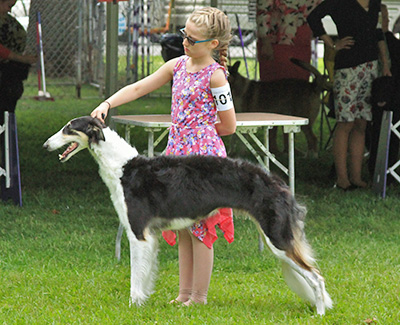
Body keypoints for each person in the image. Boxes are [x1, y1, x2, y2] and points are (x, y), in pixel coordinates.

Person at [91, 7, 236, 306]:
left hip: (202, 160)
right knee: (182, 223)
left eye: (192, 39)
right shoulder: (177, 66)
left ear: (212, 44)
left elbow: (229, 125)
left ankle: (199, 297)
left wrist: (200, 135)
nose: (185, 42)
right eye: (184, 35)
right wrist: (108, 102)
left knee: (202, 229)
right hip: (176, 156)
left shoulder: (217, 76)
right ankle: (184, 293)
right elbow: (140, 86)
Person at [307, 0, 391, 190]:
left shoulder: (375, 3)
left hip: (371, 67)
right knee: (345, 122)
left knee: (361, 122)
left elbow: (378, 33)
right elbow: (313, 17)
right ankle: (342, 178)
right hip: (347, 67)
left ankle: (357, 176)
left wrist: (384, 63)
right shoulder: (341, 2)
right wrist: (331, 43)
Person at [256, 0, 321, 82]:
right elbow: (263, 11)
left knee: (299, 86)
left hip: (301, 43)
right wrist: (266, 42)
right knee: (274, 87)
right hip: (275, 43)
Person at [0, 0, 37, 125]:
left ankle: (6, 128)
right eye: (9, 6)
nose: (9, 10)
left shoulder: (10, 23)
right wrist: (22, 59)